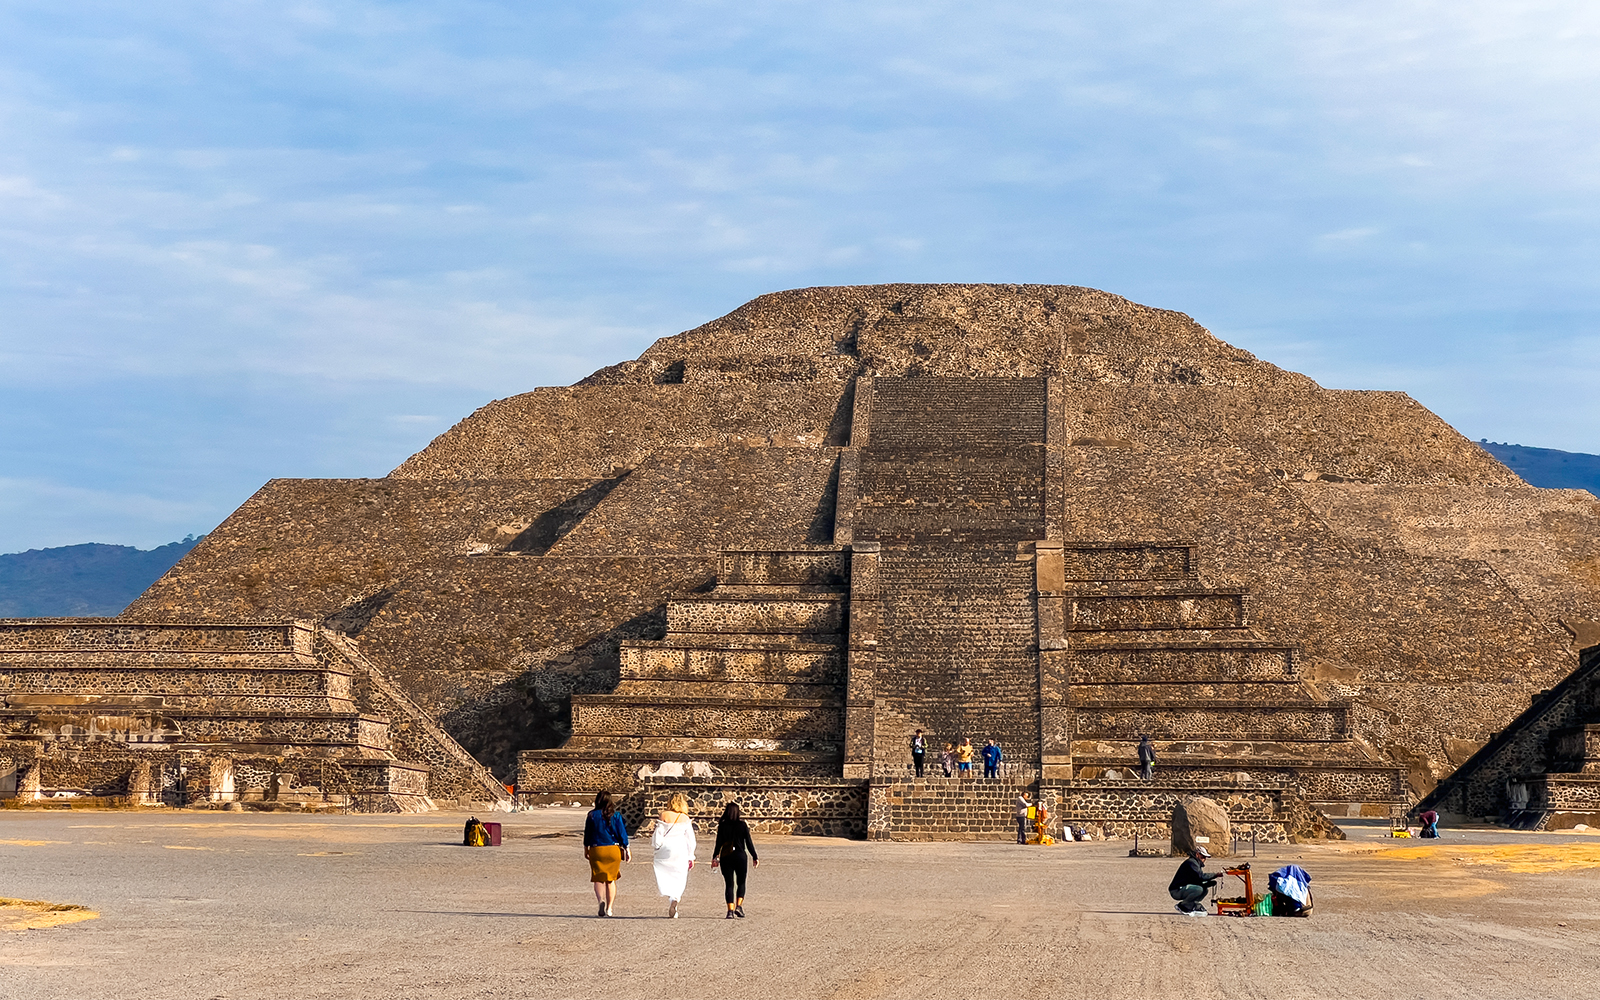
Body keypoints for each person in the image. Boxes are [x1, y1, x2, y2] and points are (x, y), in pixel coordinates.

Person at [583, 790, 630, 917]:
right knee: (611, 880)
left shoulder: (592, 815)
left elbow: (587, 834)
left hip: (597, 849)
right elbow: (622, 833)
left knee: (598, 879)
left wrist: (586, 849)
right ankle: (610, 908)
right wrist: (626, 848)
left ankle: (600, 901)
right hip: (613, 849)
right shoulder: (616, 815)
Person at [651, 792, 697, 918]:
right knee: (680, 876)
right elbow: (690, 839)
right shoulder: (685, 818)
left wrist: (657, 847)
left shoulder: (663, 815)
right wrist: (691, 856)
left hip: (666, 848)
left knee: (665, 873)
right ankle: (675, 898)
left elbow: (658, 834)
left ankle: (668, 892)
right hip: (680, 849)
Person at [711, 802, 759, 918]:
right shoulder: (742, 825)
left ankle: (730, 911)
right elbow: (748, 842)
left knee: (729, 884)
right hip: (740, 855)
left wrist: (715, 856)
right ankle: (739, 906)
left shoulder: (722, 825)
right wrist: (755, 856)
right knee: (741, 882)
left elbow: (718, 843)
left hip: (726, 856)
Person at [1169, 845, 1224, 915]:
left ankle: (1192, 905)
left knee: (1204, 890)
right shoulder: (1192, 863)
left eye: (1205, 858)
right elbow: (1201, 876)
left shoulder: (1196, 863)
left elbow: (1196, 880)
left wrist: (1207, 884)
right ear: (1197, 855)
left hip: (1184, 888)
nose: (1204, 859)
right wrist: (1215, 875)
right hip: (1176, 890)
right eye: (1203, 857)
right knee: (1199, 889)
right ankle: (1183, 905)